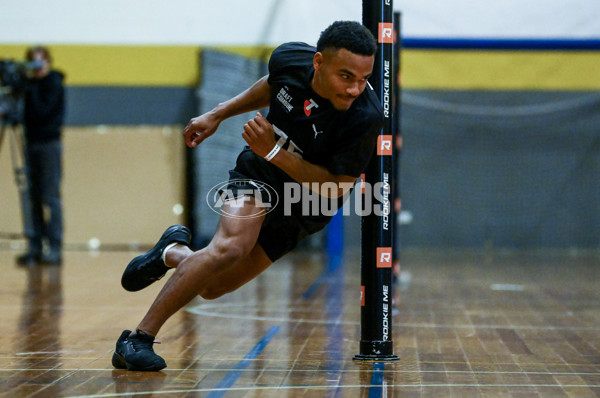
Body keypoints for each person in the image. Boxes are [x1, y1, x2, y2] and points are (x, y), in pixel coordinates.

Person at [112, 20, 383, 371]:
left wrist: (275, 152)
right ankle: (137, 339)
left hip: (307, 203)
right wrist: (217, 113)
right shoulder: (290, 59)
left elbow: (336, 185)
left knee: (212, 287)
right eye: (346, 76)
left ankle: (172, 252)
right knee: (229, 247)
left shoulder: (364, 118)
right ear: (318, 62)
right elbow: (273, 86)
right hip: (260, 174)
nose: (354, 89)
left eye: (364, 79)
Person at [16, 46, 66, 266]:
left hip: (49, 144)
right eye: (32, 63)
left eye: (40, 62)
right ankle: (35, 246)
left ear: (47, 62)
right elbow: (20, 115)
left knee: (50, 197)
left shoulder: (53, 84)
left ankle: (54, 247)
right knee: (32, 197)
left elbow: (41, 112)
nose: (36, 68)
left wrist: (29, 88)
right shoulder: (29, 86)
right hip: (31, 143)